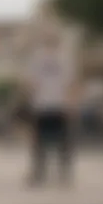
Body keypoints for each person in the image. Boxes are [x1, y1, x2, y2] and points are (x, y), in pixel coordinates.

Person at [26, 32, 78, 187]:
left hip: (44, 105)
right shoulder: (64, 59)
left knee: (41, 141)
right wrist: (71, 104)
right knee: (62, 141)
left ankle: (41, 172)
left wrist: (32, 99)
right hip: (56, 105)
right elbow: (71, 84)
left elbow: (31, 83)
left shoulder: (38, 59)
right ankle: (62, 173)